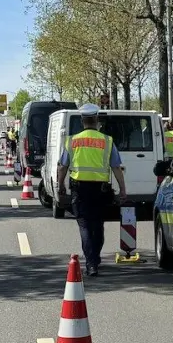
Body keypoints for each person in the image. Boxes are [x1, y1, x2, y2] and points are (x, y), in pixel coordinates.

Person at [57, 103, 127, 277]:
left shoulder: (72, 141)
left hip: (79, 190)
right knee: (98, 225)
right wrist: (123, 190)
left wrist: (60, 185)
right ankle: (94, 258)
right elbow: (116, 167)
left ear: (82, 120)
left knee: (84, 225)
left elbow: (62, 166)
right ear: (96, 120)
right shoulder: (107, 141)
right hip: (101, 190)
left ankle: (91, 262)